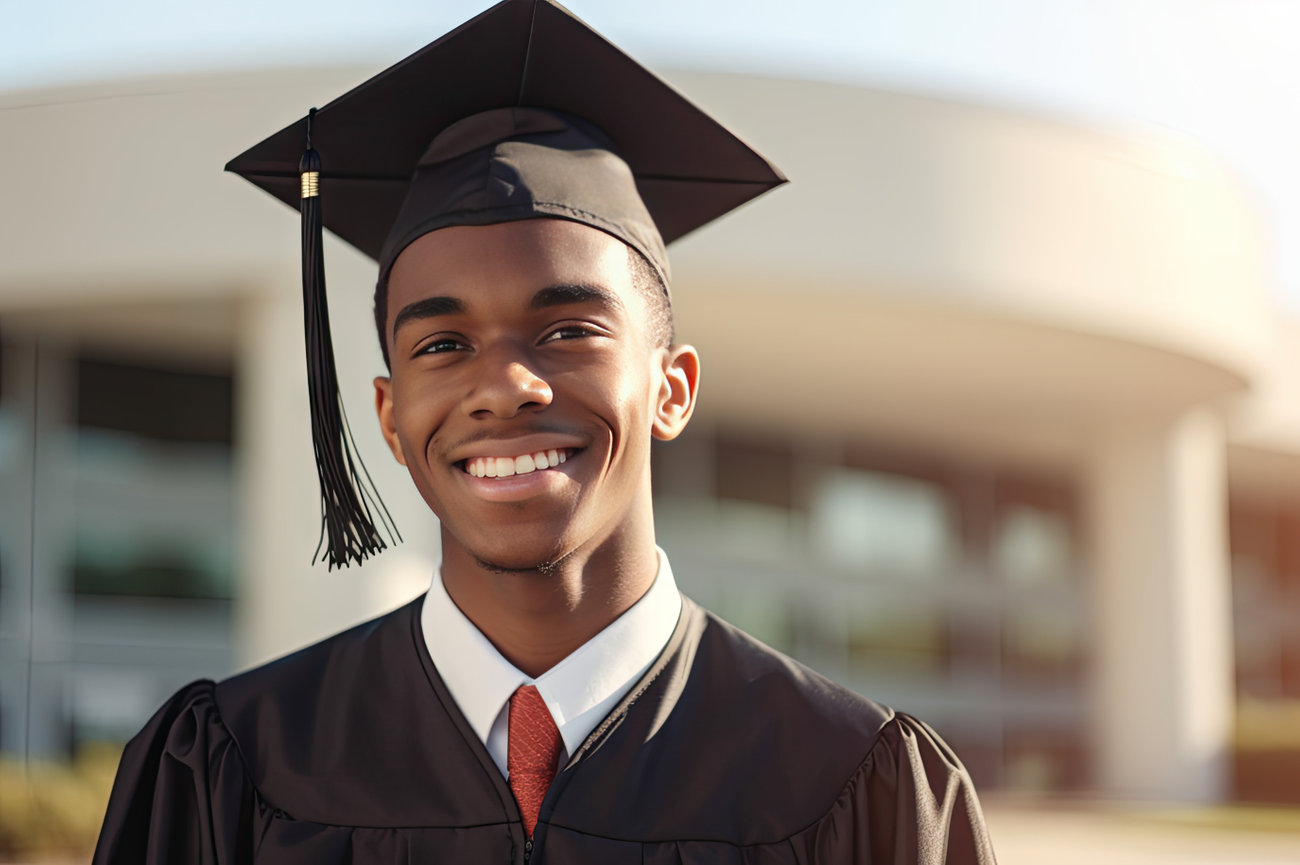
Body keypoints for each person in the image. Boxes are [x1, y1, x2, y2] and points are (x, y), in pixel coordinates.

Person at [93, 1, 997, 862]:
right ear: (389, 421)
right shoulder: (233, 767)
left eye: (568, 331)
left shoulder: (852, 783)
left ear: (672, 388)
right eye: (443, 344)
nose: (504, 387)